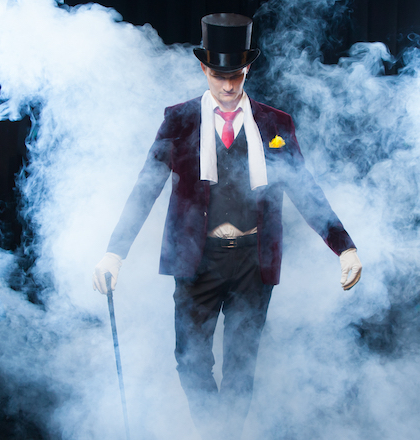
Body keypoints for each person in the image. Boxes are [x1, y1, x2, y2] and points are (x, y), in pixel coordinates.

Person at [93, 13, 362, 440]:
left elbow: (305, 190)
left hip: (253, 266)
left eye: (235, 75)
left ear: (247, 69)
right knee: (191, 361)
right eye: (219, 75)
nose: (228, 86)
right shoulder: (179, 121)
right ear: (205, 69)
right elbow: (146, 188)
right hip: (196, 260)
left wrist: (344, 247)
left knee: (242, 367)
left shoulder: (276, 125)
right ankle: (213, 430)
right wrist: (115, 252)